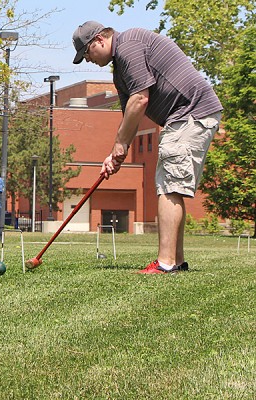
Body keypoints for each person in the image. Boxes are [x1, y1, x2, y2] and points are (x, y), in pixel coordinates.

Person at [72, 21, 223, 274]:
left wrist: (120, 145)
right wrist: (116, 154)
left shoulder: (130, 45)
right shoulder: (119, 68)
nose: (87, 60)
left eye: (86, 53)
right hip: (186, 116)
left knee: (169, 187)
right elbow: (129, 115)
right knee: (169, 186)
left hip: (191, 113)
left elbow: (140, 99)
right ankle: (176, 261)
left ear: (99, 39)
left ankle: (165, 264)